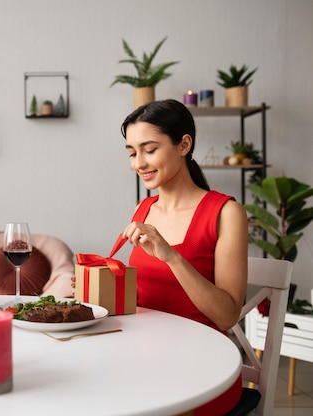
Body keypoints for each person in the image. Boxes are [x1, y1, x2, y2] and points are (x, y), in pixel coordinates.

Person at [121, 99, 248, 415]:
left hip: (202, 370)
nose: (139, 163)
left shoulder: (226, 213)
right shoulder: (144, 209)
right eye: (132, 153)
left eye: (149, 150)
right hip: (144, 360)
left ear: (184, 144)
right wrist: (98, 284)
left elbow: (228, 315)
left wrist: (171, 256)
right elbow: (146, 295)